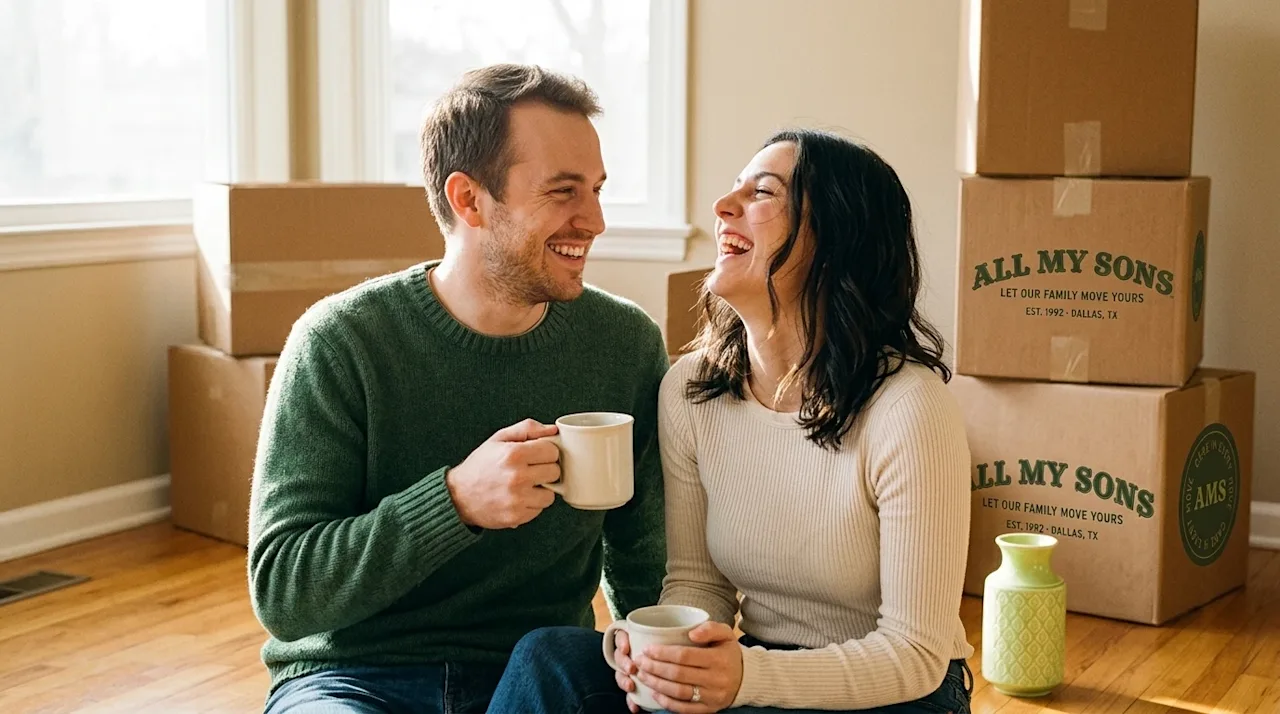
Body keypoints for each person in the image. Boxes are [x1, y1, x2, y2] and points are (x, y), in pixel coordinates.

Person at [500, 128, 975, 713]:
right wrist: (658, 650)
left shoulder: (908, 409)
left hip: (897, 692)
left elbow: (916, 654)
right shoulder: (692, 392)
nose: (725, 208)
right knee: (548, 659)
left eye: (763, 194)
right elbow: (699, 587)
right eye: (733, 190)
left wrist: (748, 676)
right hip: (753, 669)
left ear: (836, 237)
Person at [247, 63, 669, 714]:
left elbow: (642, 553)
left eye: (596, 189)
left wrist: (655, 666)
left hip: (539, 674)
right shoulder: (339, 342)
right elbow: (283, 591)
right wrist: (455, 503)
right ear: (469, 199)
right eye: (563, 192)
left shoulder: (624, 343)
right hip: (356, 678)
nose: (595, 220)